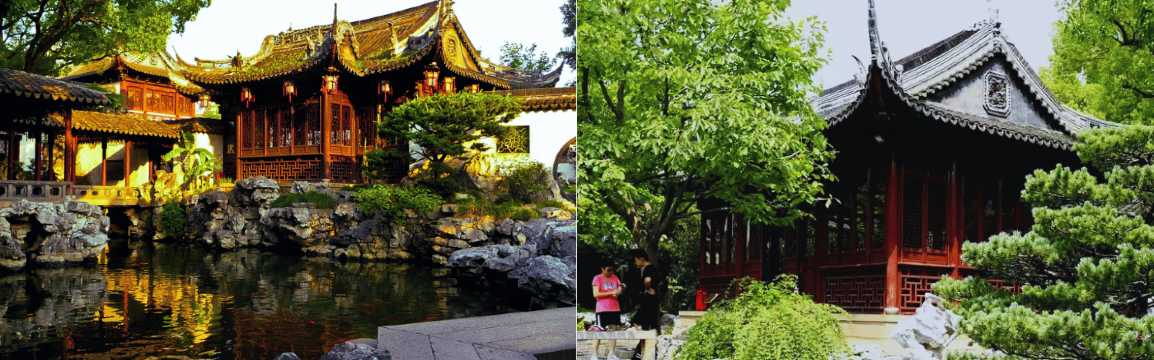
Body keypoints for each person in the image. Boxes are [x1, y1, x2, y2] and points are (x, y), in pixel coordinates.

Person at [628, 249, 664, 360]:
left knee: (642, 326)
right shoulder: (651, 268)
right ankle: (643, 353)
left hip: (648, 302)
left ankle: (644, 353)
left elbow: (648, 280)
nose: (635, 263)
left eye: (636, 260)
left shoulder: (649, 269)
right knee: (647, 328)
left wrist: (647, 288)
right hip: (651, 302)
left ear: (641, 258)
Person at [591, 259, 624, 360]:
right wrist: (611, 292)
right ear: (602, 269)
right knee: (599, 331)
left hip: (614, 308)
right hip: (602, 309)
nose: (610, 272)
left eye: (612, 270)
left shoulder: (615, 277)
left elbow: (619, 289)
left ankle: (611, 354)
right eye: (608, 270)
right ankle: (594, 354)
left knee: (613, 331)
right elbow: (596, 294)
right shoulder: (597, 278)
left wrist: (619, 291)